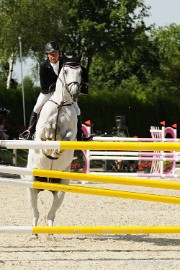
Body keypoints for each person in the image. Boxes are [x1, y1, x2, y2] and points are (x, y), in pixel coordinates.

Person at [20, 41, 88, 140]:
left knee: (77, 108)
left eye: (55, 53)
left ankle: (80, 134)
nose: (53, 56)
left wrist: (85, 83)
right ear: (47, 55)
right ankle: (29, 131)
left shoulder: (64, 62)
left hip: (64, 93)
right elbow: (44, 85)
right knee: (37, 106)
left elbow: (81, 69)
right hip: (48, 91)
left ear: (59, 53)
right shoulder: (43, 66)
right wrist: (58, 86)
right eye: (51, 54)